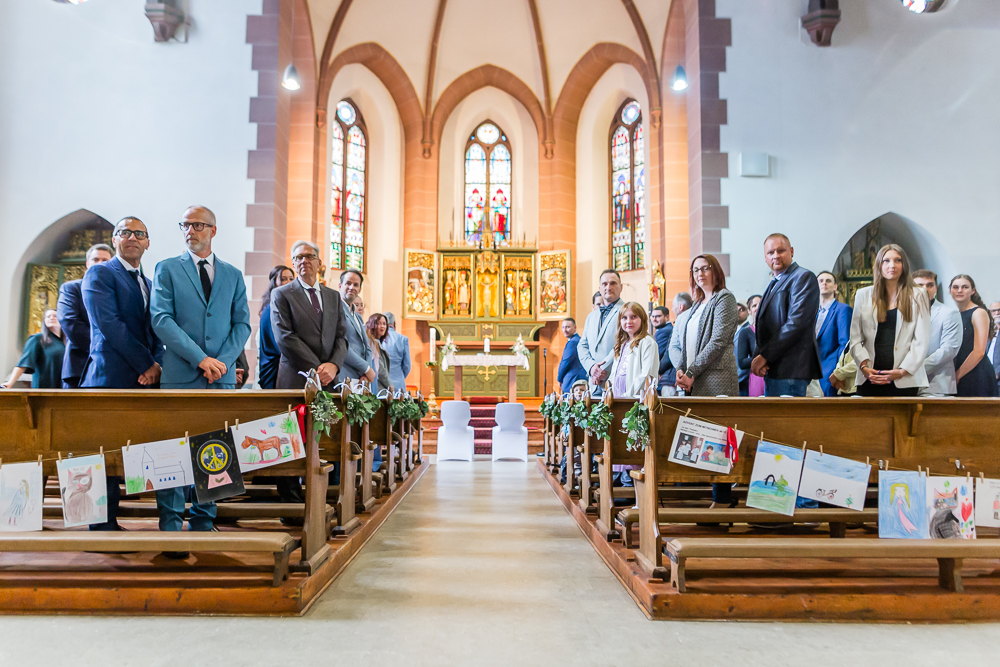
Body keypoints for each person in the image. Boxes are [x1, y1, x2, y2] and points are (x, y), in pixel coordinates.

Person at [151, 205, 251, 547]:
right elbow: (162, 320)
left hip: (218, 379)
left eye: (197, 225)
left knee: (215, 451)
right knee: (172, 452)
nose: (190, 231)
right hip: (181, 374)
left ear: (213, 230)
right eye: (185, 225)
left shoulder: (233, 275)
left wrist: (221, 362)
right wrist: (200, 359)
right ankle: (170, 524)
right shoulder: (167, 269)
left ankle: (204, 522)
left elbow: (242, 324)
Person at [80, 216, 163, 532]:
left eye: (139, 233)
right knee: (102, 454)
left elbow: (155, 329)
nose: (132, 237)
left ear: (147, 242)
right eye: (125, 232)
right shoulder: (100, 273)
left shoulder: (148, 282)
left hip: (143, 379)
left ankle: (115, 521)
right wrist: (146, 364)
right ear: (114, 239)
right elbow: (110, 325)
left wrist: (156, 364)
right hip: (108, 377)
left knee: (124, 452)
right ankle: (99, 526)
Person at [270, 240, 350, 504]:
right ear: (293, 264)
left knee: (324, 440)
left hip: (327, 382)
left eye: (309, 256)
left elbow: (342, 337)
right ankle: (291, 504)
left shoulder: (333, 296)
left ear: (319, 263)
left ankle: (322, 499)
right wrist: (317, 368)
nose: (304, 261)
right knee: (291, 440)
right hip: (296, 380)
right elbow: (285, 338)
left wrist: (334, 365)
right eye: (298, 258)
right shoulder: (282, 294)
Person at [849, 244, 930, 397]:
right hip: (870, 377)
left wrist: (902, 371)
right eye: (886, 261)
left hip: (905, 379)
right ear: (879, 265)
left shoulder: (918, 295)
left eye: (897, 260)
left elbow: (921, 340)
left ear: (904, 265)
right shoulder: (863, 294)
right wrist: (864, 367)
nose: (892, 265)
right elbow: (855, 338)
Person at [751, 233, 822, 397]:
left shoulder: (802, 277)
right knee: (773, 422)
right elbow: (764, 325)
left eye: (780, 250)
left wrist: (765, 356)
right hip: (776, 368)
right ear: (765, 257)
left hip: (791, 369)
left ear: (791, 251)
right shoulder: (774, 282)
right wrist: (760, 358)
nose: (775, 256)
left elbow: (796, 323)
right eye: (770, 253)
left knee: (787, 422)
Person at [669, 255, 739, 397]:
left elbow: (718, 341)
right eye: (695, 270)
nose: (699, 274)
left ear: (716, 271)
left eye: (705, 269)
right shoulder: (696, 305)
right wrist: (680, 370)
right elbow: (686, 342)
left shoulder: (724, 298)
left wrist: (691, 372)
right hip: (693, 378)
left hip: (717, 378)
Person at [57, 243, 113, 388]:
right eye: (95, 259)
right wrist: (104, 347)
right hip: (79, 365)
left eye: (105, 260)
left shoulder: (115, 291)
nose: (99, 263)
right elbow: (69, 322)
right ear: (87, 263)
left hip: (112, 369)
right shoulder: (71, 288)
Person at [912, 269, 961, 397]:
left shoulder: (948, 313)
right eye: (920, 285)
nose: (925, 289)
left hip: (936, 384)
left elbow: (948, 349)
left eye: (929, 285)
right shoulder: (902, 312)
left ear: (935, 288)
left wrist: (914, 371)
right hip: (903, 385)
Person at [949, 274, 998, 397]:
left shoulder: (978, 312)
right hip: (961, 371)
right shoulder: (955, 314)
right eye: (955, 287)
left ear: (973, 291)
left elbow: (979, 351)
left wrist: (957, 375)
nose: (959, 290)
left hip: (976, 373)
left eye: (965, 287)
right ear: (950, 290)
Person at [578, 270, 624, 394]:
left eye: (613, 283)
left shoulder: (626, 312)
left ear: (621, 287)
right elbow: (582, 346)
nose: (608, 287)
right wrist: (592, 368)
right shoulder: (591, 316)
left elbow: (622, 344)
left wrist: (601, 371)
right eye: (604, 284)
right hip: (593, 382)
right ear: (600, 288)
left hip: (614, 381)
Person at [1, 309, 65, 389]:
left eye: (55, 316)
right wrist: (10, 383)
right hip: (45, 387)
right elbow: (24, 362)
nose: (51, 318)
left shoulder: (66, 342)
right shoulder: (37, 339)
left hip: (63, 387)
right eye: (48, 316)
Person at [815, 271, 853, 397]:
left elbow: (845, 343)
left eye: (828, 281)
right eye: (820, 281)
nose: (824, 283)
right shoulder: (811, 311)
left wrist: (839, 371)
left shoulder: (843, 309)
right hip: (810, 370)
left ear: (835, 287)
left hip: (830, 369)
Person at [336, 269, 376, 386]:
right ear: (340, 285)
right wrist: (367, 369)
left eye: (356, 284)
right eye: (348, 283)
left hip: (360, 378)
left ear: (360, 289)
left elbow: (366, 347)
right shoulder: (336, 310)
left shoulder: (358, 317)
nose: (351, 287)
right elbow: (341, 345)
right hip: (344, 376)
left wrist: (366, 372)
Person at [257, 265, 294, 389]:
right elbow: (278, 342)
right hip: (274, 368)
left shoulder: (287, 305)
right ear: (275, 282)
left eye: (291, 279)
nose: (288, 282)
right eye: (284, 279)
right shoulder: (271, 308)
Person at [735, 295, 761, 396]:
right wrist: (763, 357)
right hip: (753, 378)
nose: (757, 307)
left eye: (741, 309)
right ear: (750, 310)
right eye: (754, 305)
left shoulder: (774, 330)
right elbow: (742, 361)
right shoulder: (745, 332)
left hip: (772, 378)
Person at [383, 313, 411, 394]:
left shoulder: (379, 339)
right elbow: (407, 366)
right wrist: (400, 376)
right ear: (394, 324)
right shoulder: (403, 339)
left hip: (381, 384)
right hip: (399, 383)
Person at [556, 317, 587, 391]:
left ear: (575, 327)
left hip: (573, 378)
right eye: (563, 327)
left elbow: (565, 362)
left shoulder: (573, 342)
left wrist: (559, 378)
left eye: (567, 327)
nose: (565, 330)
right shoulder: (577, 340)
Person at [651, 306, 675, 395]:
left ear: (667, 317)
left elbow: (657, 354)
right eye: (652, 316)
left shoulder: (665, 331)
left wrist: (657, 371)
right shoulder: (661, 330)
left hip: (666, 376)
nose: (654, 319)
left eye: (658, 316)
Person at [366, 313, 392, 394]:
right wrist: (390, 385)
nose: (382, 326)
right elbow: (380, 369)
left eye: (384, 324)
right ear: (372, 325)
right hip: (377, 387)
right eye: (379, 323)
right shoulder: (372, 342)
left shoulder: (377, 342)